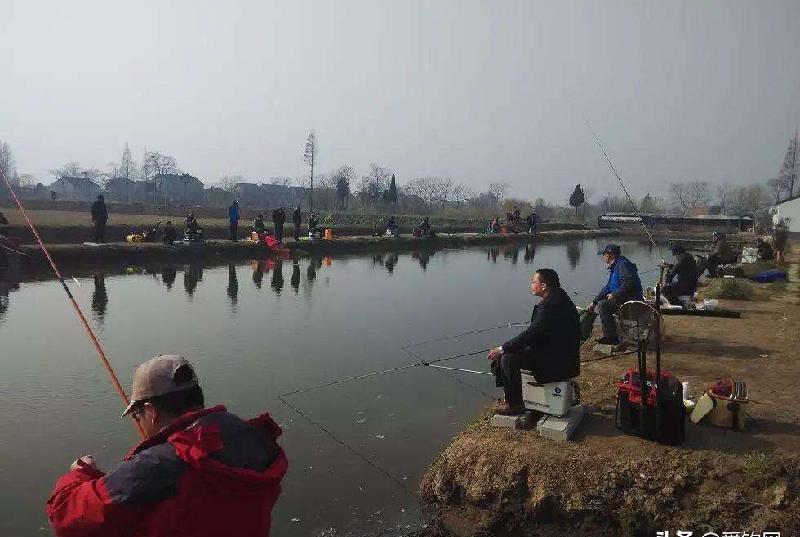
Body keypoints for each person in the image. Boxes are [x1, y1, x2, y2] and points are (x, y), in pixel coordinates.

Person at [46, 355, 288, 537]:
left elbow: (67, 516)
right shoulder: (250, 438)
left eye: (137, 414)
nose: (138, 420)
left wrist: (81, 472)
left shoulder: (159, 466)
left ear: (150, 412)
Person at [487, 269, 580, 415]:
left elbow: (531, 334)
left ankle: (515, 404)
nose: (531, 284)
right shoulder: (561, 298)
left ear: (543, 285)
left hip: (557, 361)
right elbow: (538, 333)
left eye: (533, 281)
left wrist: (502, 348)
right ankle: (510, 398)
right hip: (562, 355)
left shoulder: (549, 306)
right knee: (506, 355)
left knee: (507, 358)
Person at [587, 244, 643, 345]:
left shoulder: (623, 265)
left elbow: (629, 283)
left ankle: (611, 338)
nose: (603, 257)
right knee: (601, 303)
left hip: (631, 304)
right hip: (623, 301)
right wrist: (593, 302)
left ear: (609, 255)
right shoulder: (616, 266)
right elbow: (607, 287)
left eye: (603, 254)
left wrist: (615, 294)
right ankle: (610, 336)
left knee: (603, 305)